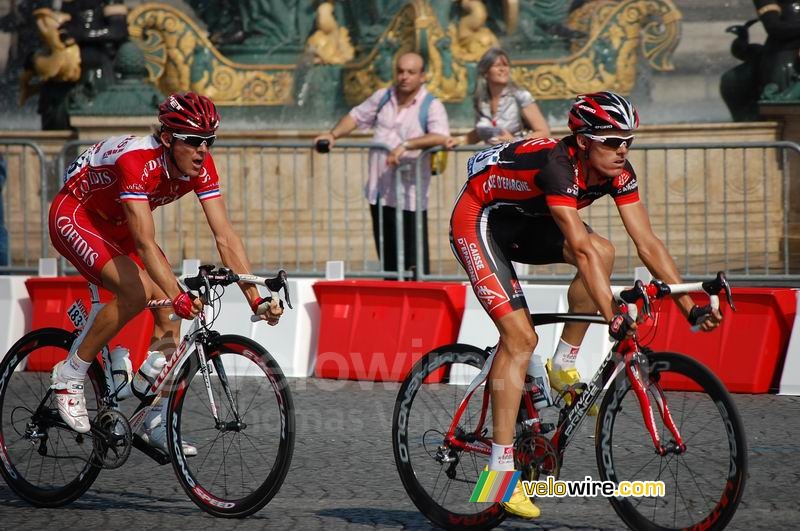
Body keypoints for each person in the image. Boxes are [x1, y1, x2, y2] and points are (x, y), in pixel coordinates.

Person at [448, 91, 722, 519]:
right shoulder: (559, 168)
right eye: (612, 141)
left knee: (605, 249)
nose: (622, 150)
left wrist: (691, 307)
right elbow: (577, 246)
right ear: (583, 141)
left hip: (530, 221)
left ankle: (562, 363)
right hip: (481, 220)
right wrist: (613, 314)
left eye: (627, 140)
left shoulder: (617, 171)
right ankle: (500, 477)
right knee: (519, 338)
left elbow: (647, 243)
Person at [48, 92, 283, 453]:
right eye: (193, 141)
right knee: (136, 293)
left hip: (118, 226)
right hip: (76, 215)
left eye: (209, 141)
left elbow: (225, 236)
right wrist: (177, 292)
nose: (203, 151)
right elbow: (144, 243)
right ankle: (70, 375)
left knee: (170, 314)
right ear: (169, 138)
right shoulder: (137, 160)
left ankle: (149, 419)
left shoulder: (201, 165)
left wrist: (256, 298)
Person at [313, 52, 451, 278]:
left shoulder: (431, 105)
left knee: (414, 262)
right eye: (400, 71)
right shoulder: (383, 97)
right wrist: (332, 134)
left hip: (410, 195)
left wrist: (406, 145)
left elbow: (440, 135)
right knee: (388, 259)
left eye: (411, 72)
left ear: (423, 76)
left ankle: (418, 304)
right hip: (380, 192)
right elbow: (356, 117)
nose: (404, 77)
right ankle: (393, 302)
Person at [447, 47, 549, 148]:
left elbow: (544, 132)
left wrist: (514, 141)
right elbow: (481, 132)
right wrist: (459, 140)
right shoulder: (481, 101)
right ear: (486, 72)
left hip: (518, 159)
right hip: (492, 161)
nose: (503, 69)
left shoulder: (521, 96)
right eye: (497, 66)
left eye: (506, 65)